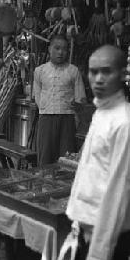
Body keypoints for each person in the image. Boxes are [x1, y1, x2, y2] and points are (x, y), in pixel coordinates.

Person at [65, 45, 130, 260]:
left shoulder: (125, 122)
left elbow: (118, 191)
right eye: (93, 72)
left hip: (110, 235)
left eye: (106, 72)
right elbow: (89, 171)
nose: (98, 79)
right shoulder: (101, 112)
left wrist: (99, 254)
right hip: (88, 229)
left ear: (122, 74)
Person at [33, 35, 86, 165]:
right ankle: (44, 185)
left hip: (67, 119)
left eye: (64, 49)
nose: (61, 52)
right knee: (45, 156)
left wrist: (77, 109)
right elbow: (37, 95)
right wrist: (45, 108)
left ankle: (64, 185)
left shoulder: (73, 71)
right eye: (57, 48)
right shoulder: (40, 71)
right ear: (49, 49)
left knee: (66, 157)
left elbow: (81, 98)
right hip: (46, 118)